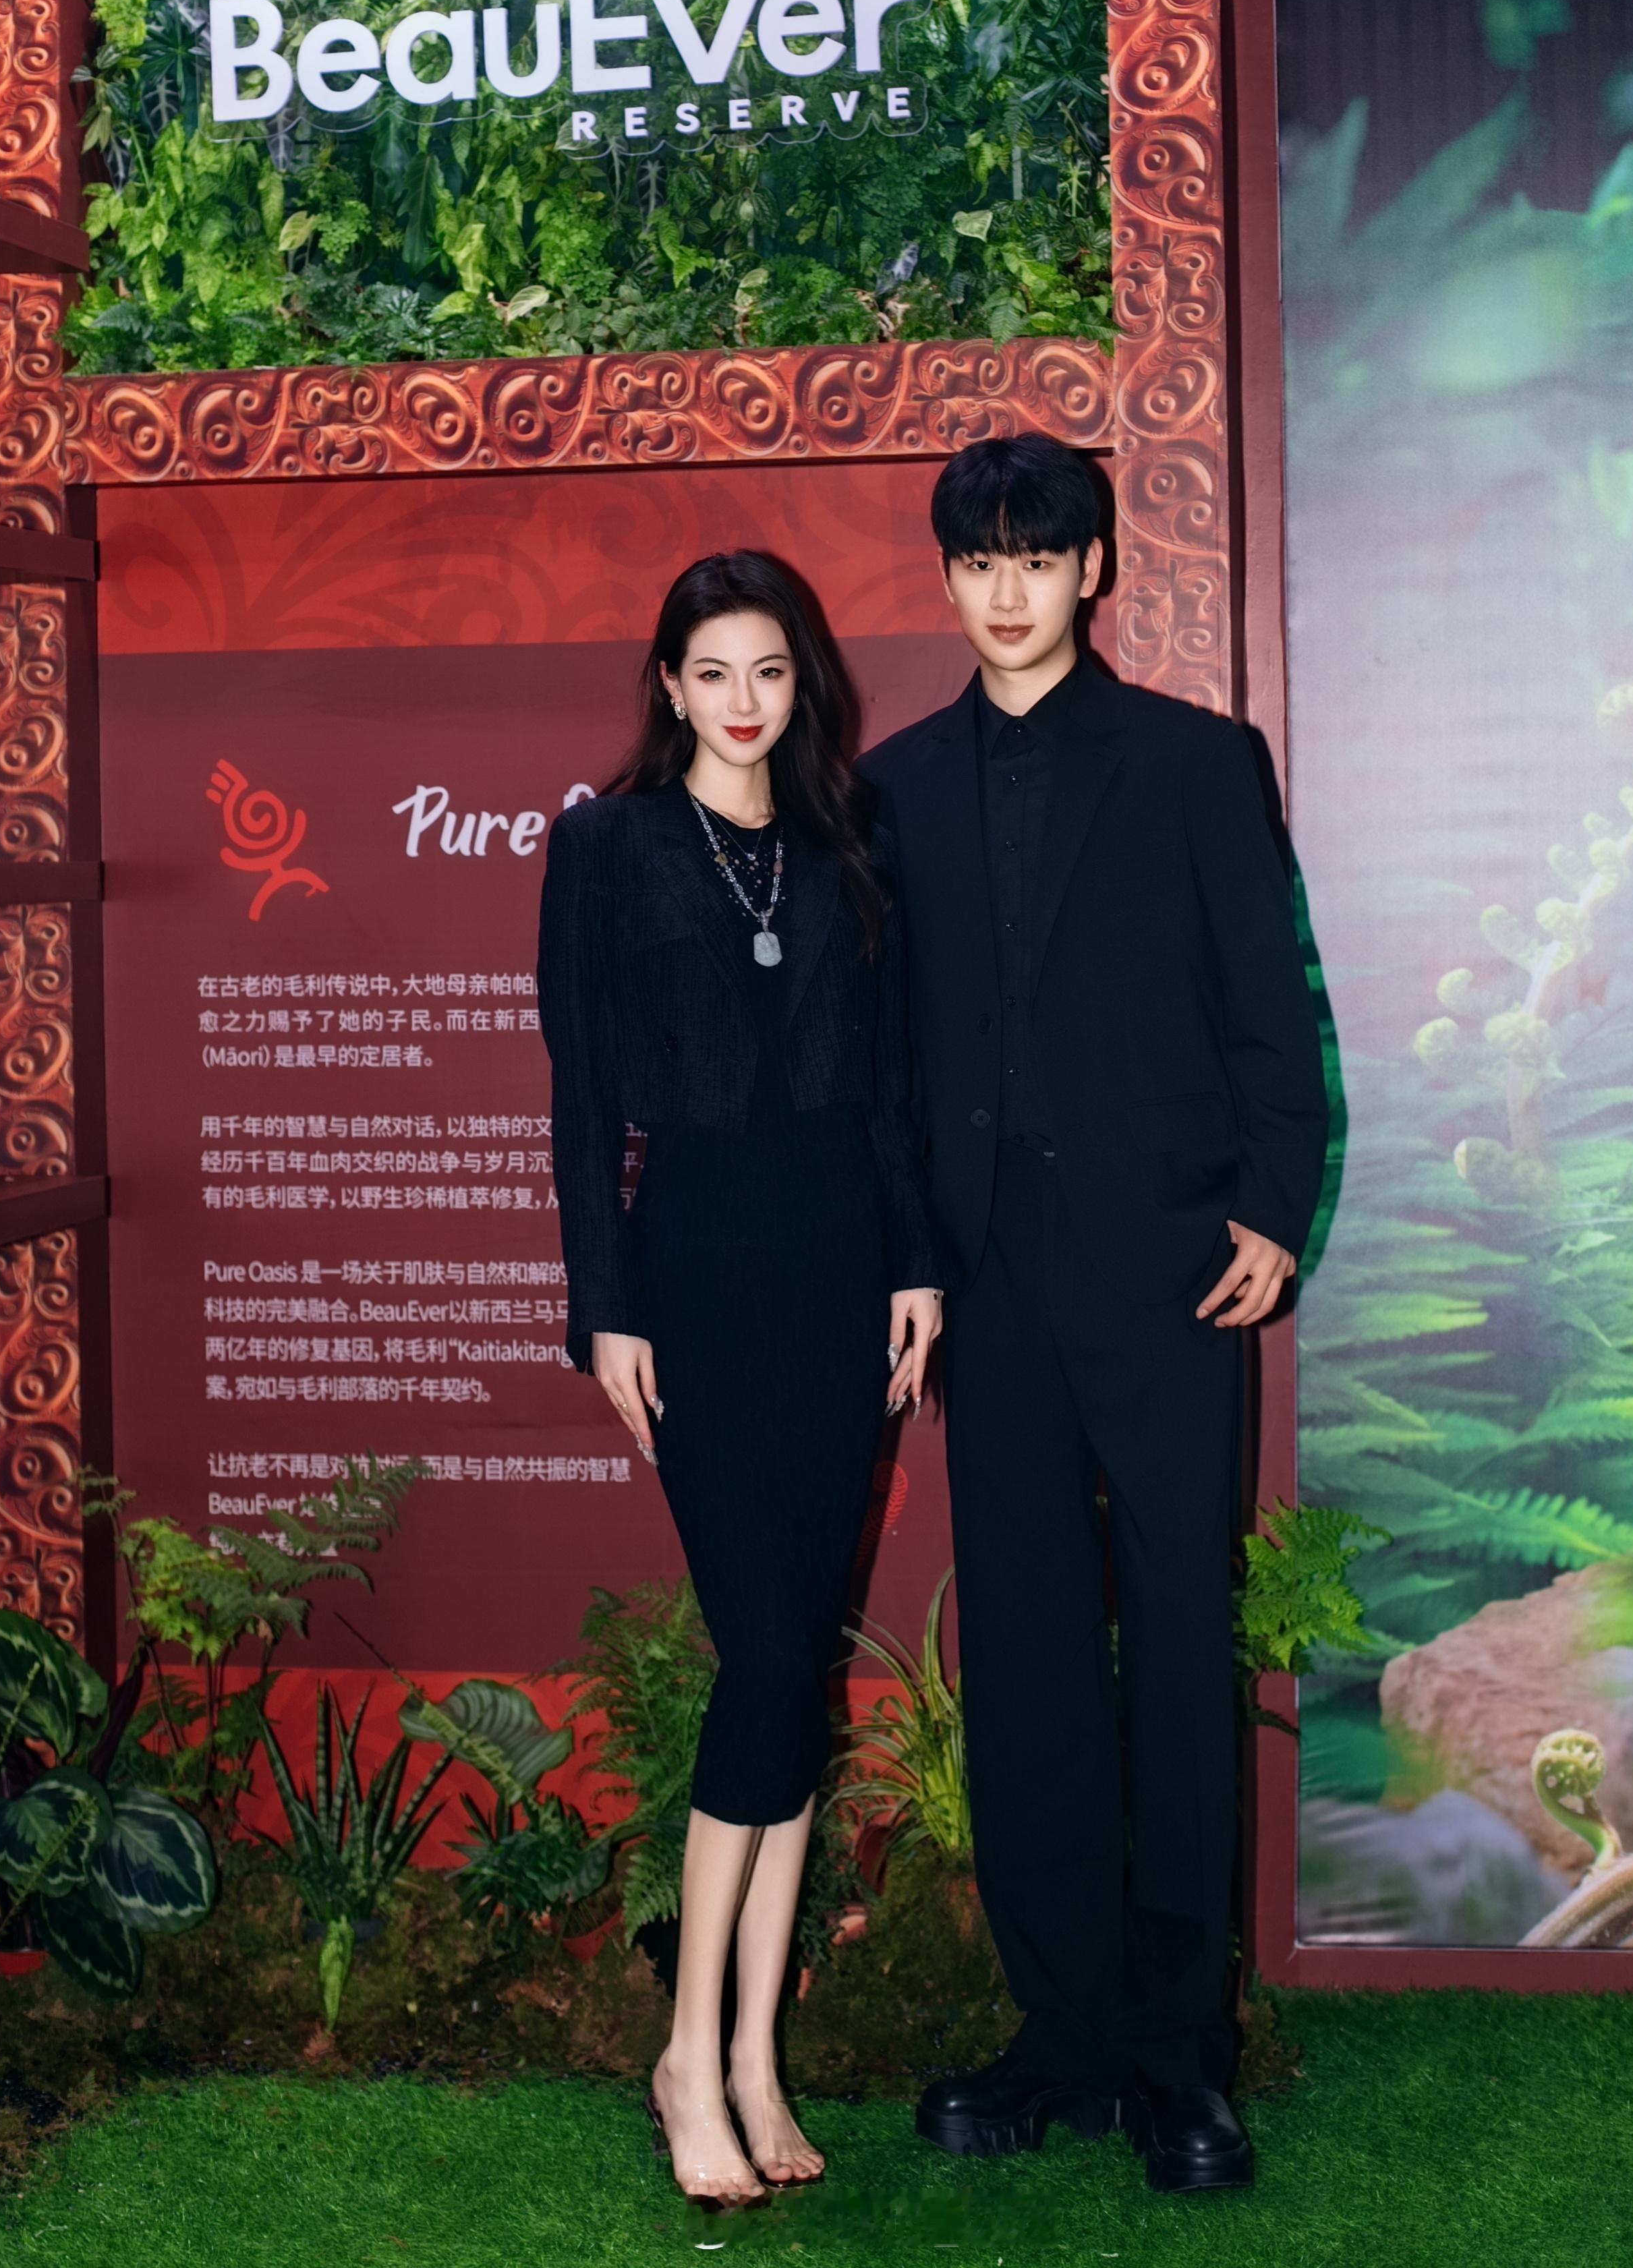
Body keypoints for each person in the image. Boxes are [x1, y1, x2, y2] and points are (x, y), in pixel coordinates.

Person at [859, 436, 1327, 2199]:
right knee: (1029, 1658)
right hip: (987, 1286)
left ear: (1094, 571)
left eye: (1037, 558)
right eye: (978, 560)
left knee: (1180, 1651)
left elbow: (1269, 1005)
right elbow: (885, 1064)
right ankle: (1055, 2037)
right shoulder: (889, 789)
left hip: (1168, 1271)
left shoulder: (1198, 764)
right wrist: (906, 1255)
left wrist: (1271, 1203)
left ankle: (1181, 2057)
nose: (1007, 591)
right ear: (946, 577)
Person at [538, 550, 941, 2207]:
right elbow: (578, 1101)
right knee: (768, 1657)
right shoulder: (606, 847)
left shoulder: (852, 843)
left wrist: (915, 1265)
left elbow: (892, 1085)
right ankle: (684, 2054)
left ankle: (757, 2060)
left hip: (840, 1270)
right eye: (711, 671)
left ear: (801, 680)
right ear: (668, 684)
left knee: (789, 1674)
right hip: (693, 1274)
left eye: (768, 670)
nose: (743, 700)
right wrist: (603, 1310)